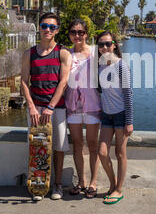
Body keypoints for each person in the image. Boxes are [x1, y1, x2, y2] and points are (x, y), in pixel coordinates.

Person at [20, 12, 71, 201]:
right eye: (44, 26)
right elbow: (24, 82)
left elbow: (63, 82)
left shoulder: (63, 53)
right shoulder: (29, 53)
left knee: (57, 147)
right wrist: (32, 107)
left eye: (52, 27)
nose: (47, 30)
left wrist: (50, 107)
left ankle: (57, 184)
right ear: (39, 27)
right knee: (37, 146)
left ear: (57, 30)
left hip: (56, 108)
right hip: (36, 108)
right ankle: (39, 184)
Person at [65, 19, 102, 199]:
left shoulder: (96, 53)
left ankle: (93, 182)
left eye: (81, 32)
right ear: (69, 34)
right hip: (72, 107)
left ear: (86, 34)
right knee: (78, 145)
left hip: (93, 105)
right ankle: (81, 181)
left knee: (93, 145)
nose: (77, 35)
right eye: (73, 32)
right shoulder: (66, 54)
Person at [96, 31, 133, 205]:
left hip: (120, 115)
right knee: (102, 152)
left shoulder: (121, 66)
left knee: (120, 153)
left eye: (107, 44)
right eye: (101, 44)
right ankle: (112, 184)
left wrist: (129, 121)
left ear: (114, 45)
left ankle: (119, 189)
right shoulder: (100, 65)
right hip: (106, 115)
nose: (104, 47)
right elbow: (100, 90)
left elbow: (128, 94)